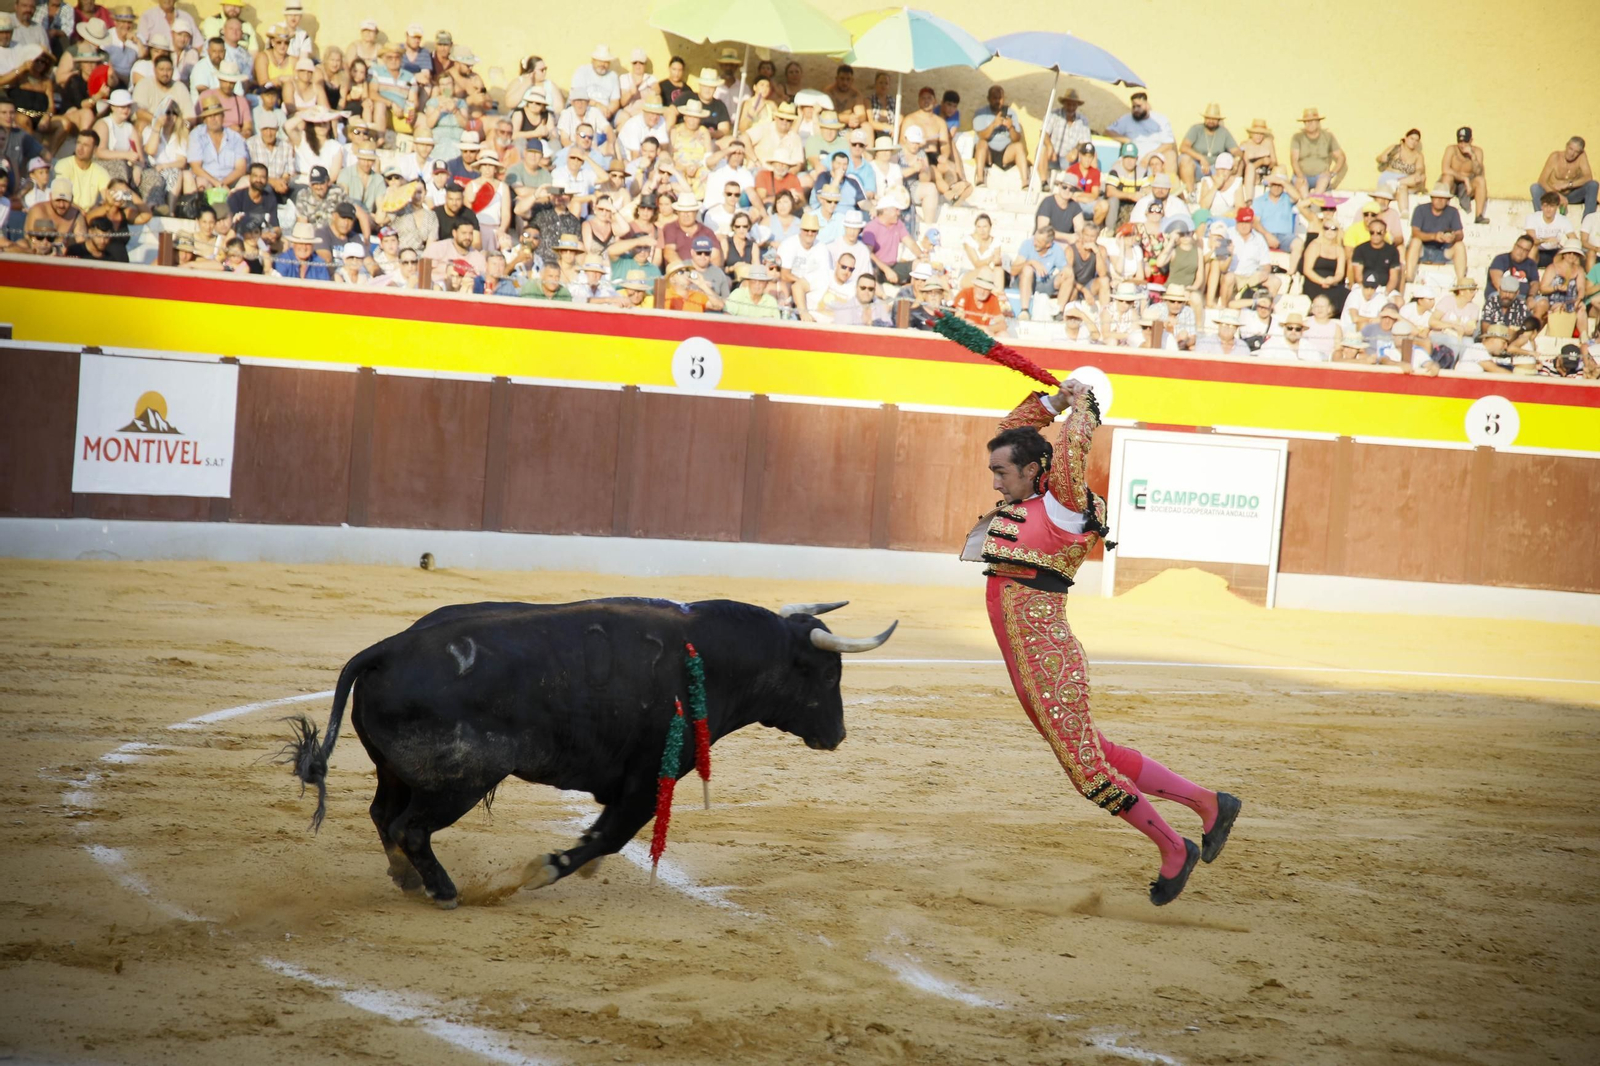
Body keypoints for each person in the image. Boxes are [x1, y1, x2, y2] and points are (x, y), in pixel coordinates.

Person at [968, 380, 1241, 905]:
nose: (996, 482)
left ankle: (1173, 848)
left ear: (1034, 470)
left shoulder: (1066, 501)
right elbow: (1014, 433)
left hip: (1046, 658)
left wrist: (1081, 401)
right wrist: (1050, 402)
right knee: (1098, 751)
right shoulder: (1033, 485)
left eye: (1003, 472)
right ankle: (1209, 804)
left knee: (1085, 768)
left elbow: (1072, 446)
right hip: (1032, 658)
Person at [1404, 184, 1467, 284]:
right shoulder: (1420, 209)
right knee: (1415, 241)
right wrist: (1434, 236)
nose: (1440, 200)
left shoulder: (1453, 211)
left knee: (1460, 245)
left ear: (1447, 200)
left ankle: (1461, 280)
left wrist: (1452, 238)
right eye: (1437, 197)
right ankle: (1409, 276)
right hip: (1422, 250)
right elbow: (1415, 232)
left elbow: (1460, 234)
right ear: (1432, 198)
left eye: (1443, 198)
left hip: (1443, 250)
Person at [1107, 91, 1176, 178]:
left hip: (1155, 155)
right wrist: (1125, 140)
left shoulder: (1160, 119)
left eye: (1139, 106)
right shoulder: (1126, 119)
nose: (1136, 109)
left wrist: (1149, 155)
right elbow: (1108, 131)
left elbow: (1169, 144)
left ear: (1146, 104)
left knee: (1171, 155)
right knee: (1115, 166)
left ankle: (1170, 187)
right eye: (1133, 107)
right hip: (1132, 154)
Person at [972, 85, 1028, 187]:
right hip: (987, 152)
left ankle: (1025, 183)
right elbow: (981, 136)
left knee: (1019, 146)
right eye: (995, 98)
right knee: (981, 143)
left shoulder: (1011, 113)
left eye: (1000, 98)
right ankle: (980, 178)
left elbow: (1016, 139)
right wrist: (993, 124)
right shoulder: (980, 113)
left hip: (1005, 153)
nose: (998, 101)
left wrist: (1011, 128)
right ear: (989, 99)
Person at [1178, 103, 1237, 197]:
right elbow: (1183, 147)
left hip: (1215, 168)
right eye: (1208, 118)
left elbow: (1236, 151)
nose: (1210, 121)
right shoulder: (1196, 129)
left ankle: (1227, 196)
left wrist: (1236, 159)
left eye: (1214, 119)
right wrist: (1201, 158)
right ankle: (1191, 194)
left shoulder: (1223, 132)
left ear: (1218, 120)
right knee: (1184, 159)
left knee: (1232, 164)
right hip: (1197, 167)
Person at [1531, 137, 1595, 219]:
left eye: (1576, 152)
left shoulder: (1581, 157)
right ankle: (1541, 220)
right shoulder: (1555, 157)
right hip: (1553, 194)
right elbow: (1542, 181)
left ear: (1580, 152)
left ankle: (1588, 222)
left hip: (1571, 196)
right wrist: (1558, 196)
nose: (1572, 154)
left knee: (1593, 185)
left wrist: (1568, 184)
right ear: (1566, 146)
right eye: (1570, 149)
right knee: (1535, 188)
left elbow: (1588, 177)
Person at [1039, 88, 1090, 186]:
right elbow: (1043, 133)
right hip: (1052, 155)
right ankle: (1044, 182)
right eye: (1068, 104)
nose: (1071, 107)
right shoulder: (1054, 114)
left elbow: (1086, 141)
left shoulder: (1082, 120)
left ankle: (1088, 184)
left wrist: (1076, 150)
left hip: (1069, 159)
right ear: (1064, 103)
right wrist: (1049, 146)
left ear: (1077, 105)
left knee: (1091, 154)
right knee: (1042, 149)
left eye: (1074, 104)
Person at [1289, 107, 1345, 195]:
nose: (1309, 124)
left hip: (1321, 176)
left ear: (1318, 122)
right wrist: (1300, 175)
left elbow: (1341, 157)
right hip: (1302, 174)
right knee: (1302, 187)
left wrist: (1332, 173)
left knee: (1324, 180)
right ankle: (1307, 202)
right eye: (1306, 121)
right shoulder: (1297, 137)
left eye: (1312, 121)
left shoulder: (1328, 137)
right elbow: (1294, 160)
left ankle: (1315, 198)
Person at [1440, 127, 1489, 225]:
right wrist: (1464, 179)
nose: (1462, 145)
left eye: (1465, 142)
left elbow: (1478, 172)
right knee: (1447, 177)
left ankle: (1479, 216)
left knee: (1481, 181)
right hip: (1453, 184)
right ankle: (1441, 212)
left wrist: (1473, 156)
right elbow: (1445, 169)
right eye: (1460, 142)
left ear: (1471, 140)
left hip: (1468, 188)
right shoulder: (1451, 149)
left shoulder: (1477, 151)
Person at [1374, 128, 1427, 216]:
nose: (1413, 142)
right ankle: (1403, 209)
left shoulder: (1418, 155)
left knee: (1420, 178)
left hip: (1404, 181)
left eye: (1416, 140)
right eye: (1411, 139)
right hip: (1389, 178)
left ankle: (1404, 212)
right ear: (1405, 138)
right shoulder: (1395, 148)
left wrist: (1417, 174)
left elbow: (1420, 168)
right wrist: (1382, 158)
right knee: (1403, 187)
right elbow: (1379, 158)